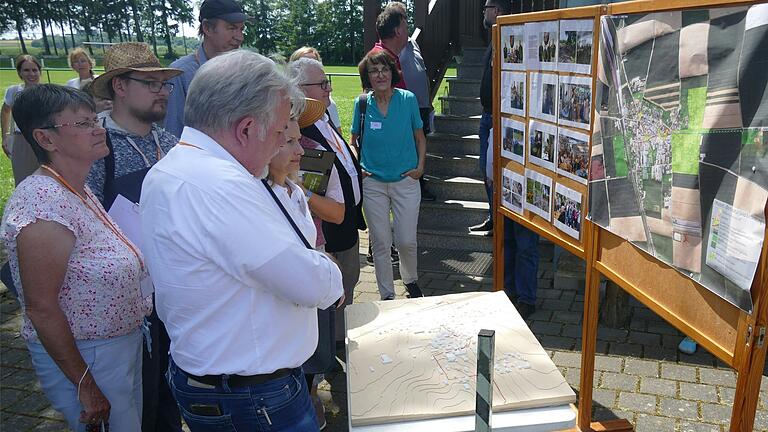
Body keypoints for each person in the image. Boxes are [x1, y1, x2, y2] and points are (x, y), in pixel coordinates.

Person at [140, 50, 343, 431]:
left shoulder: (174, 166)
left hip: (222, 383)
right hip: (253, 397)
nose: (284, 142)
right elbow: (311, 283)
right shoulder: (221, 186)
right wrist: (329, 269)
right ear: (247, 128)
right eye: (281, 130)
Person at [1, 84, 150, 431]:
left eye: (94, 120)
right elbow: (41, 306)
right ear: (46, 139)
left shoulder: (74, 188)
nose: (99, 129)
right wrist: (85, 385)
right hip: (89, 355)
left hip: (113, 347)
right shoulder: (43, 203)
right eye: (82, 124)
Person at [88, 42, 183, 432]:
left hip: (175, 295)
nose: (162, 90)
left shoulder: (172, 144)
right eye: (151, 82)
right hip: (126, 308)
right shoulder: (96, 149)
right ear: (119, 87)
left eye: (165, 83)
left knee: (170, 399)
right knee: (134, 405)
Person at [270, 98, 345, 430]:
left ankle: (311, 392)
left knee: (314, 354)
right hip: (283, 323)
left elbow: (336, 213)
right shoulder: (257, 191)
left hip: (310, 278)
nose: (298, 147)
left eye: (297, 136)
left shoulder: (310, 156)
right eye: (288, 139)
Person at [289, 58, 365, 347]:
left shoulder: (322, 117)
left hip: (345, 224)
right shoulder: (301, 136)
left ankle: (337, 341)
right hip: (329, 233)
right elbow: (310, 198)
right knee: (335, 293)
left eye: (327, 82)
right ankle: (332, 349)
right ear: (299, 89)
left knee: (348, 284)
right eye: (322, 84)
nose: (328, 88)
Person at [478, 0, 539, 318]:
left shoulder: (518, 54)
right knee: (508, 232)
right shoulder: (494, 42)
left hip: (523, 158)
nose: (484, 11)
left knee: (525, 235)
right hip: (499, 146)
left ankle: (526, 296)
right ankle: (510, 291)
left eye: (489, 6)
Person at [352, 51, 426, 301]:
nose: (380, 75)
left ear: (392, 72)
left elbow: (419, 137)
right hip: (373, 183)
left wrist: (420, 168)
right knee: (381, 243)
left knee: (406, 241)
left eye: (384, 69)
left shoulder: (408, 99)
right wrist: (358, 167)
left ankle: (410, 279)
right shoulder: (361, 104)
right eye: (374, 71)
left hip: (406, 181)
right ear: (368, 76)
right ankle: (386, 295)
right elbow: (354, 140)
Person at [163, 0, 249, 138]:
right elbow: (173, 134)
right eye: (232, 28)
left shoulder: (243, 74)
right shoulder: (181, 73)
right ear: (207, 28)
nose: (239, 37)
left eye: (241, 29)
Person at [399, 34, 437, 201]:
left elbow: (422, 73)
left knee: (420, 144)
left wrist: (429, 102)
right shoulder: (394, 46)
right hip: (409, 107)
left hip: (422, 105)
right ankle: (417, 187)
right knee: (412, 147)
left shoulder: (412, 42)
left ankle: (420, 182)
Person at [2, 54, 43, 185]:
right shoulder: (14, 92)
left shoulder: (47, 92)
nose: (31, 74)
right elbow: (5, 110)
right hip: (22, 140)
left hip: (44, 140)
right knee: (24, 179)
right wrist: (4, 136)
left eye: (34, 70)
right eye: (26, 70)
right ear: (19, 72)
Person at [289, 46, 341, 130]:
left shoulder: (328, 105)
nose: (330, 89)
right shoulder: (290, 121)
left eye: (314, 62)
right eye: (304, 62)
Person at [361, 2, 409, 90]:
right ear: (397, 31)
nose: (408, 33)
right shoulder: (379, 60)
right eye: (406, 28)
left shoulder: (386, 56)